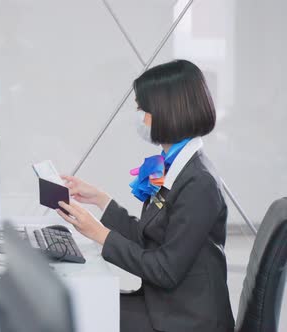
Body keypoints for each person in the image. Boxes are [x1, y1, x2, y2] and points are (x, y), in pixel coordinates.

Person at [56, 60, 235, 331]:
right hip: (165, 306)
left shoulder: (199, 183)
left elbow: (165, 269)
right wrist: (101, 201)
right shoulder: (175, 165)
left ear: (166, 111)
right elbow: (150, 237)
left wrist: (99, 234)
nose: (139, 117)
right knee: (78, 305)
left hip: (188, 320)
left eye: (142, 109)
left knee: (79, 313)